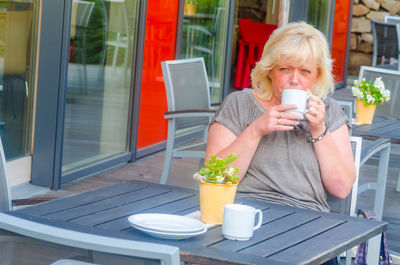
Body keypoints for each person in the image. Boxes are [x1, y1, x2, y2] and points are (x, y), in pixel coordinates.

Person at [205, 21, 356, 213]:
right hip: (242, 210)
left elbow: (342, 188)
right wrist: (255, 130)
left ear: (317, 75)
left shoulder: (329, 110)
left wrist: (318, 129)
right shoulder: (239, 104)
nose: (294, 79)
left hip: (306, 216)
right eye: (285, 69)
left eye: (305, 71)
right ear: (269, 70)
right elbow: (213, 176)